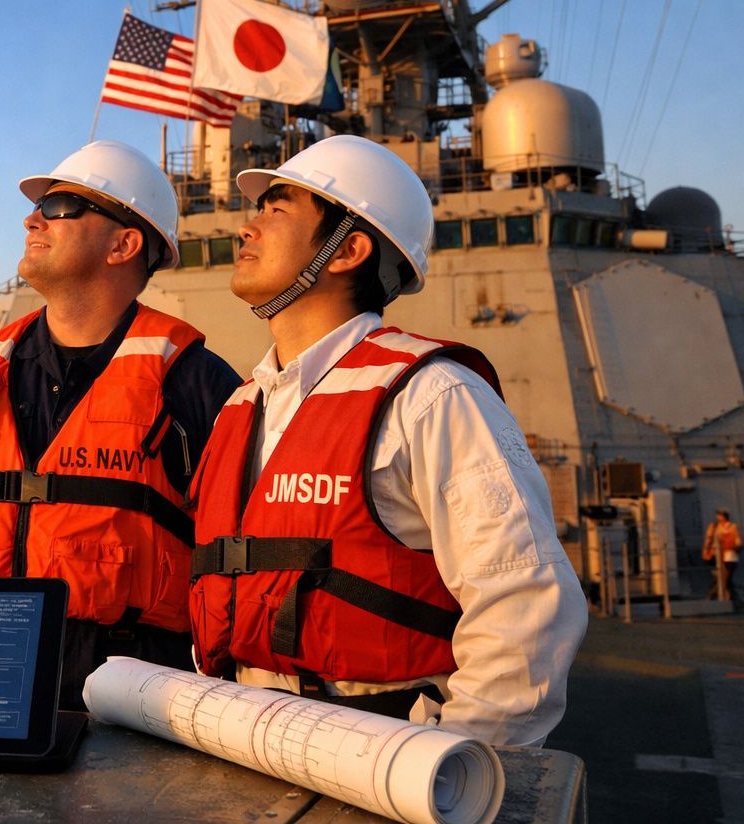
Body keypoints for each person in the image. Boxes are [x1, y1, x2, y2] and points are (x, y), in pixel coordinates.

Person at [189, 134, 588, 747]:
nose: (247, 228)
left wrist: (449, 768)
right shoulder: (241, 408)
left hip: (381, 753)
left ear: (347, 250)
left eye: (275, 209)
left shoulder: (433, 396)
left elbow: (526, 601)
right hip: (240, 741)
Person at [0, 139, 241, 709]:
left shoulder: (197, 386)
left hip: (130, 709)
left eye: (61, 206)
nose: (32, 218)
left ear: (124, 244)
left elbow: (238, 567)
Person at [703, 508, 743, 602]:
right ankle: (728, 598)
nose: (719, 517)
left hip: (729, 555)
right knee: (721, 579)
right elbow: (708, 540)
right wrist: (706, 551)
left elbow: (737, 541)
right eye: (718, 515)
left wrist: (733, 546)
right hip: (716, 556)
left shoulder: (732, 527)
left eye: (720, 515)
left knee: (725, 579)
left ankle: (713, 595)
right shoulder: (714, 527)